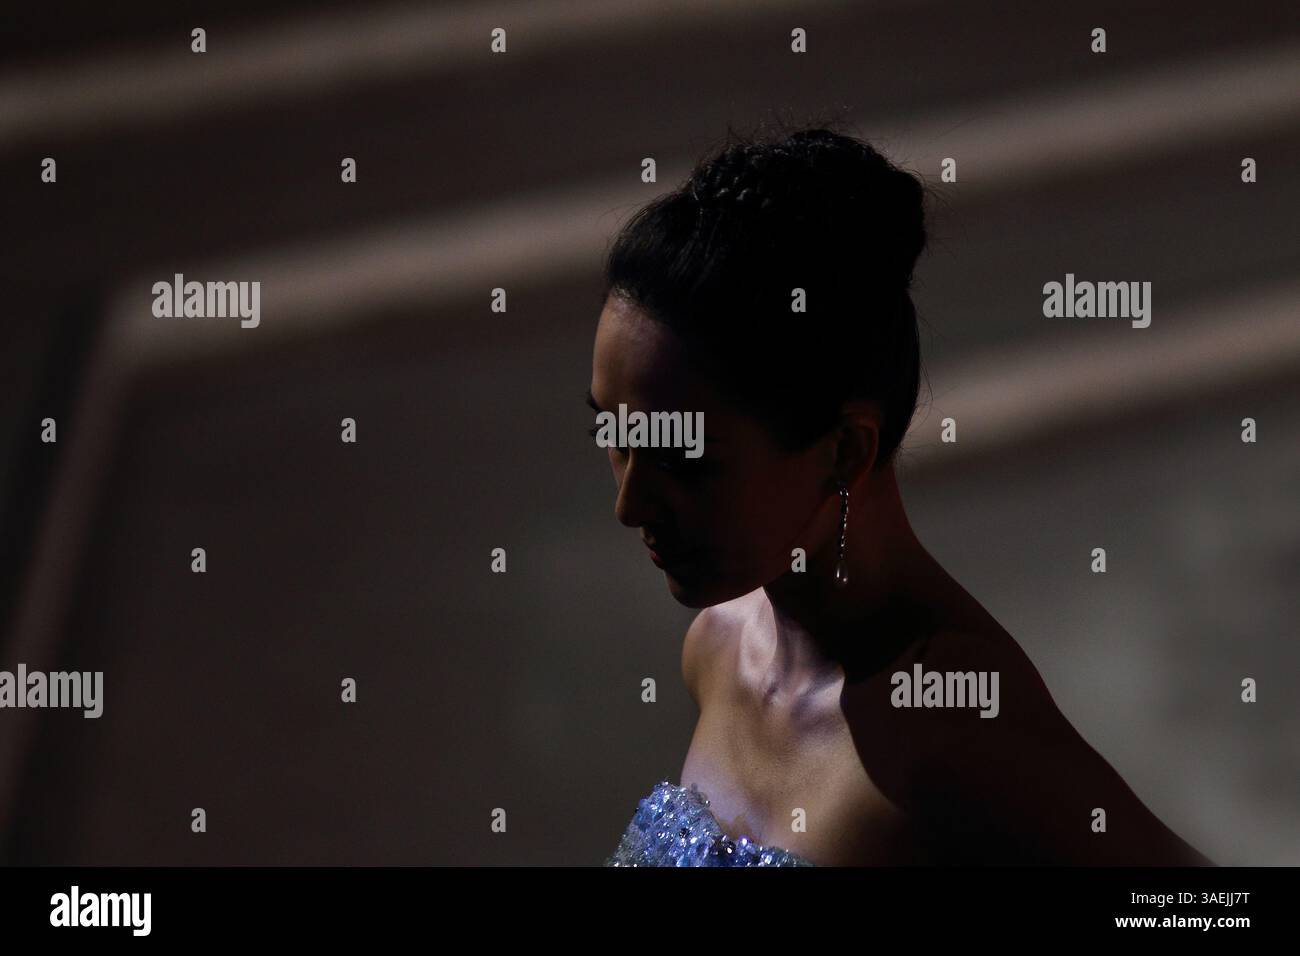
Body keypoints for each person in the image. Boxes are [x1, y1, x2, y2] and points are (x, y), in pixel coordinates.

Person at [594, 122, 1209, 866]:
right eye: (615, 439)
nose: (630, 504)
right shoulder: (719, 649)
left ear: (845, 451)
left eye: (683, 461)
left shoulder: (952, 723)